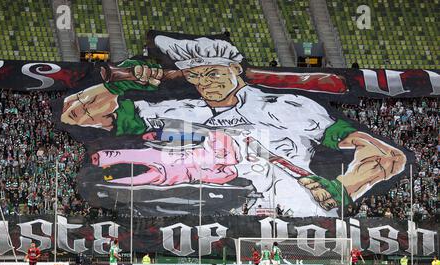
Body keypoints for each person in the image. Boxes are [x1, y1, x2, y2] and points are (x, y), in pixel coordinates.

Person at [61, 34, 406, 218]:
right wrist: (117, 83)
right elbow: (74, 114)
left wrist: (344, 187)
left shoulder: (288, 108)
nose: (205, 82)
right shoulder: (177, 110)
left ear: (236, 70)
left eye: (213, 73)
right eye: (196, 76)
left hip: (300, 218)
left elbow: (387, 157)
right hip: (215, 216)